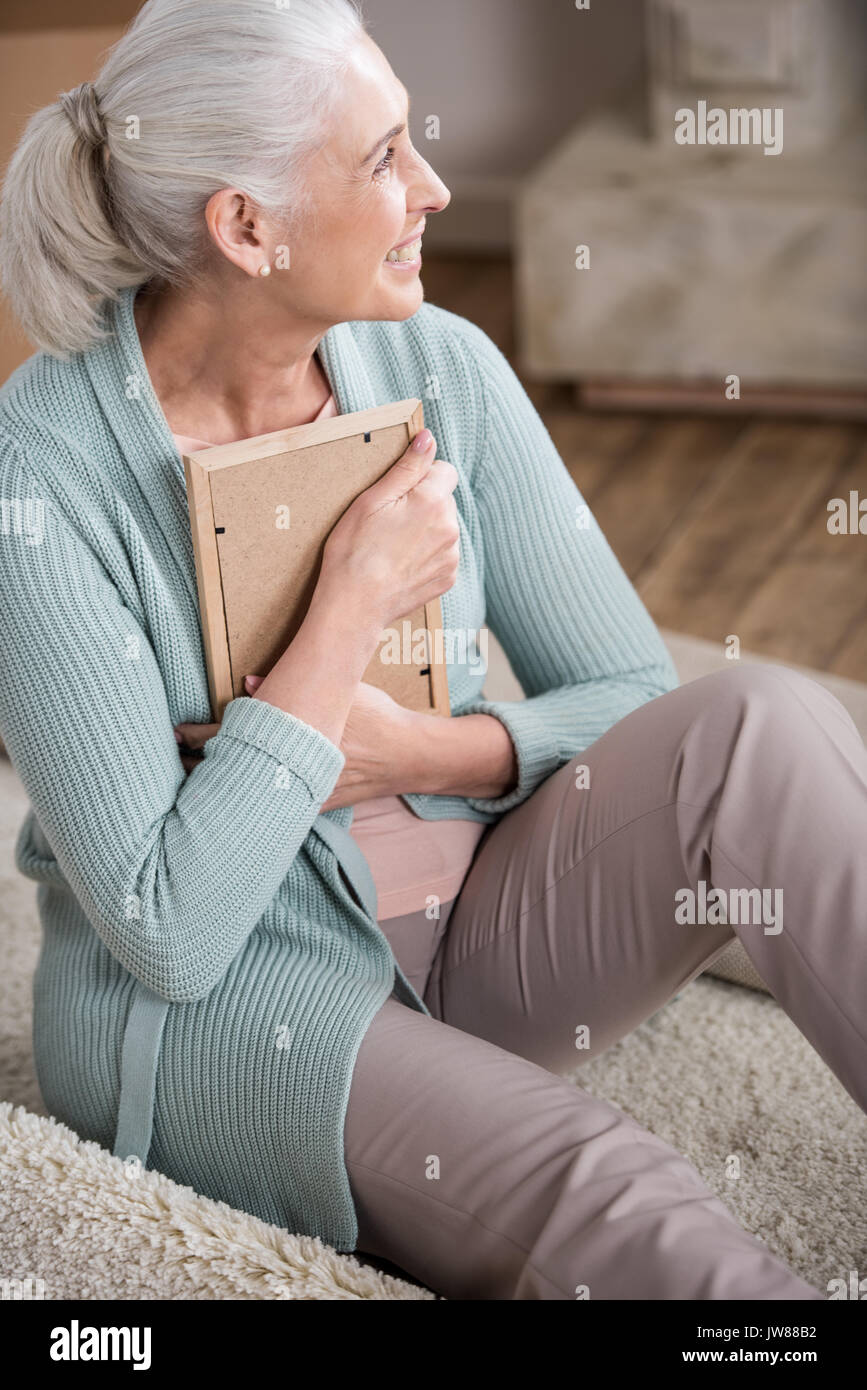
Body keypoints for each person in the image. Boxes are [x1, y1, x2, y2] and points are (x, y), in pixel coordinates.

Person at [0, 0, 862, 1301]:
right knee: (607, 1185)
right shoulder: (40, 473)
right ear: (247, 226)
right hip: (228, 1006)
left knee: (762, 729)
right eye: (382, 157)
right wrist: (348, 605)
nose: (437, 187)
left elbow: (631, 692)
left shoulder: (438, 364)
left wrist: (430, 751)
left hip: (472, 925)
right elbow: (167, 930)